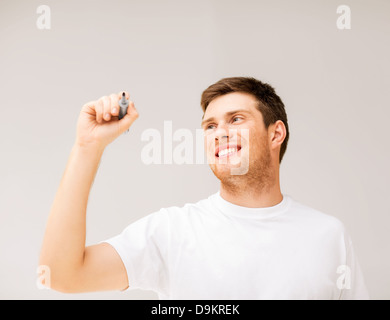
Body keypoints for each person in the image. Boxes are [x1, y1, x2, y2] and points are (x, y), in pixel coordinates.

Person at [39, 77, 369, 299]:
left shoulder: (329, 236)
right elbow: (60, 274)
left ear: (275, 133)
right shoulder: (172, 231)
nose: (219, 132)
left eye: (236, 119)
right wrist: (87, 147)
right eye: (210, 126)